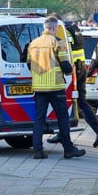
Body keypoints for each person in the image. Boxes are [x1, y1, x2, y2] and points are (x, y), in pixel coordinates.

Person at [26, 16, 83, 160]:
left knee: (39, 118)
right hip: (56, 87)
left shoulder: (33, 43)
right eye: (56, 28)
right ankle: (68, 150)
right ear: (53, 28)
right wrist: (70, 71)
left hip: (39, 87)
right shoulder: (57, 42)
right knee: (63, 118)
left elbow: (29, 64)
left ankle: (38, 151)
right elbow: (65, 64)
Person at [63, 20, 98, 148]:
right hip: (80, 68)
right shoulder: (73, 29)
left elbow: (65, 49)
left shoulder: (65, 31)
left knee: (65, 102)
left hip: (74, 69)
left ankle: (61, 132)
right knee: (80, 102)